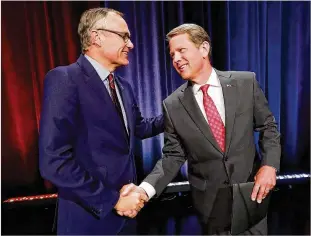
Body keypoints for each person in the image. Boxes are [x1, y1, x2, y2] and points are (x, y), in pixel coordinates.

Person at [121, 23, 281, 235]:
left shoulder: (245, 82)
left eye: (181, 50)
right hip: (211, 207)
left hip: (252, 197)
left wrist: (270, 165)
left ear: (204, 48)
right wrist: (144, 190)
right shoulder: (173, 105)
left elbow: (268, 127)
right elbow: (172, 157)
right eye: (172, 54)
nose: (176, 59)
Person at [39, 7, 163, 235]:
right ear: (97, 36)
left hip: (127, 218)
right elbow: (54, 161)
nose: (131, 44)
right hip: (88, 219)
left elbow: (140, 127)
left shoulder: (124, 87)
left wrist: (180, 111)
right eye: (124, 36)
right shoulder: (65, 79)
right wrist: (113, 200)